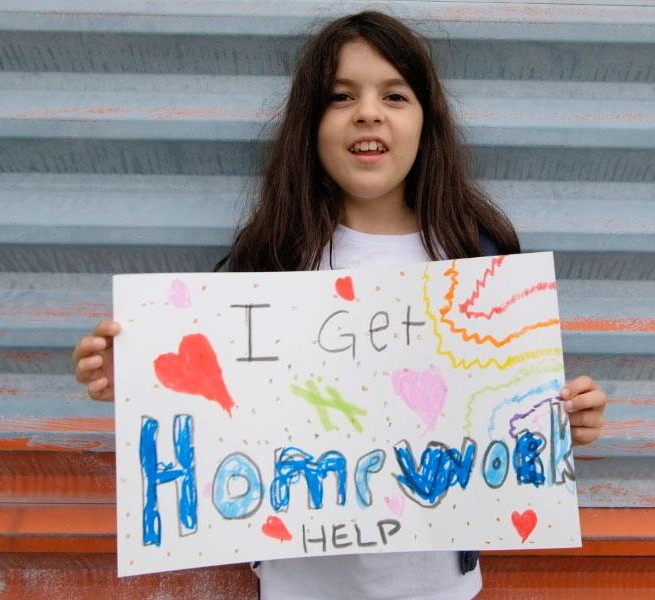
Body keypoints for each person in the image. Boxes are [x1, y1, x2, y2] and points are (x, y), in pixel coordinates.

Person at [73, 11, 607, 599]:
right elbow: (220, 409)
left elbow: (505, 410)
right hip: (298, 585)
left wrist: (560, 422)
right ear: (310, 126)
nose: (369, 112)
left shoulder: (475, 259)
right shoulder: (271, 260)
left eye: (395, 94)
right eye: (341, 96)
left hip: (438, 588)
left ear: (427, 122)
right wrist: (138, 383)